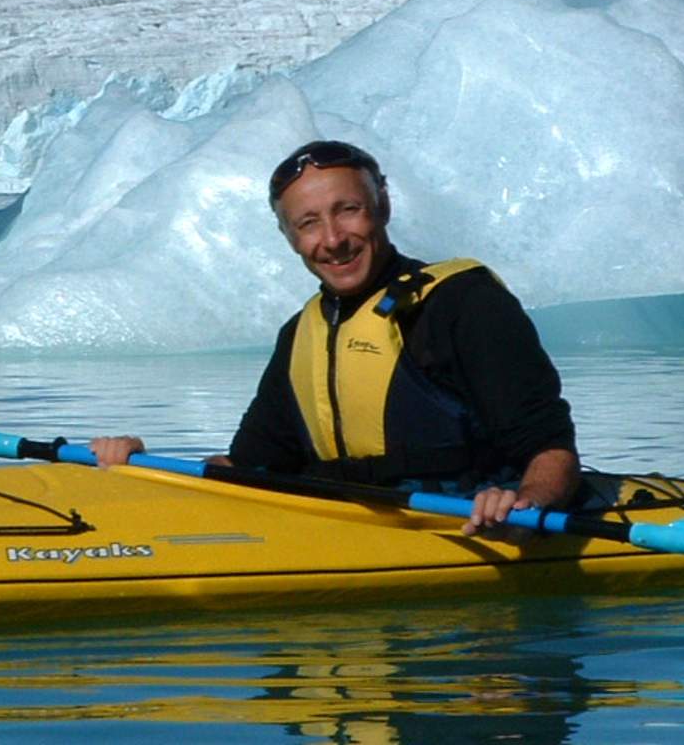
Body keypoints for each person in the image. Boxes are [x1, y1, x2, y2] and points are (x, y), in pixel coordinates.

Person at [91, 139, 578, 538]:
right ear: (289, 236)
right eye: (308, 223)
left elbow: (551, 448)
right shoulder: (301, 332)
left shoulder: (462, 303)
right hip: (342, 524)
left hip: (460, 521)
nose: (332, 239)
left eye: (347, 211)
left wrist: (525, 502)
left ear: (381, 205)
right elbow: (248, 466)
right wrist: (139, 464)